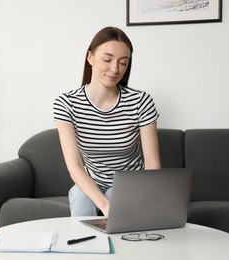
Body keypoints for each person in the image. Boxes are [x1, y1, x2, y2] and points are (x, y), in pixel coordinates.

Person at [53, 27, 161, 218]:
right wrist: (104, 205)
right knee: (81, 199)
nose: (115, 69)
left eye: (123, 63)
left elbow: (152, 162)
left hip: (130, 183)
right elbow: (75, 166)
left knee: (116, 198)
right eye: (107, 59)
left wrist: (149, 195)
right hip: (90, 182)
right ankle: (82, 247)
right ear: (90, 57)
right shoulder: (67, 103)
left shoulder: (141, 101)